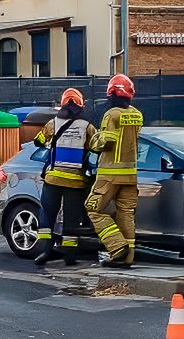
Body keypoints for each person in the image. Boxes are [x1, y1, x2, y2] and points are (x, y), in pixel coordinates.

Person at [32, 88, 97, 268]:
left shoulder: (53, 123)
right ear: (81, 105)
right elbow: (97, 147)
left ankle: (44, 252)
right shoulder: (87, 126)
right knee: (72, 219)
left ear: (63, 103)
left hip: (53, 180)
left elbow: (38, 140)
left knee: (47, 216)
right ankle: (70, 256)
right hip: (76, 182)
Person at [85, 74, 143, 268]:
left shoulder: (112, 114)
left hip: (110, 174)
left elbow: (105, 141)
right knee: (125, 213)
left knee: (93, 208)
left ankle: (117, 248)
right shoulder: (136, 114)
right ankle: (128, 258)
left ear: (113, 93)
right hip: (131, 175)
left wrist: (93, 140)